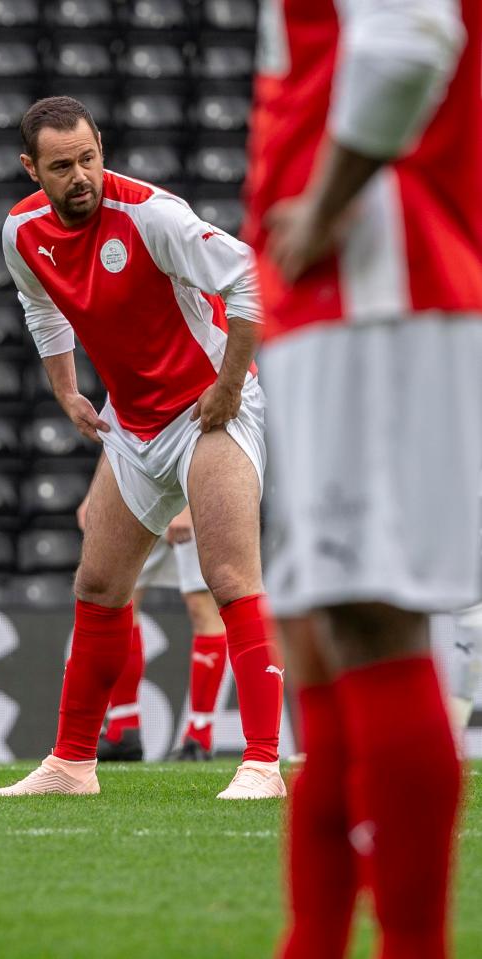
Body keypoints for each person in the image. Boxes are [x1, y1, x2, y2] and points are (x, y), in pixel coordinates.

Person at [243, 0, 482, 956]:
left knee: (371, 616)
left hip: (379, 286)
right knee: (322, 636)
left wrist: (332, 193)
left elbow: (412, 39)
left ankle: (410, 943)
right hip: (336, 302)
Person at [0, 95, 285, 801]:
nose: (80, 175)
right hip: (133, 424)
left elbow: (248, 282)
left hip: (208, 408)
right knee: (97, 587)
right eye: (62, 166)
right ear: (32, 169)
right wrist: (65, 390)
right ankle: (71, 765)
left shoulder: (153, 215)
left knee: (229, 576)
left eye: (89, 157)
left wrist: (231, 385)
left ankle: (262, 763)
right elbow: (39, 306)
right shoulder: (21, 232)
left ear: (101, 149)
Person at [77, 472, 228, 763]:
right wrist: (95, 493)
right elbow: (116, 433)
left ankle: (199, 736)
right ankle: (123, 728)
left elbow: (198, 429)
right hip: (141, 490)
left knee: (201, 604)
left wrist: (186, 506)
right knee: (122, 597)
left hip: (190, 488)